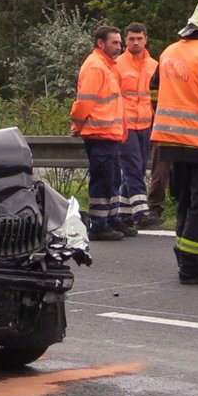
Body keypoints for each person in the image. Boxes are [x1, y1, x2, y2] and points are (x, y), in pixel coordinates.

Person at [150, 0, 198, 284]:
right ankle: (194, 268)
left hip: (172, 144)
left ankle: (185, 257)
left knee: (185, 202)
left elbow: (154, 92)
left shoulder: (170, 52)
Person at [71, 25, 131, 241]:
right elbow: (84, 101)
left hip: (109, 133)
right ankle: (98, 224)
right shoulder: (97, 67)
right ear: (100, 43)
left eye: (118, 42)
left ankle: (112, 218)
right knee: (103, 179)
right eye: (114, 43)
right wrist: (78, 125)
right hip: (99, 133)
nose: (119, 47)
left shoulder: (106, 67)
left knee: (113, 177)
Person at [116, 22, 164, 230]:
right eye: (131, 39)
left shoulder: (154, 65)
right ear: (125, 40)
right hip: (124, 125)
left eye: (139, 38)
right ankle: (141, 211)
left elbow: (160, 98)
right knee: (134, 167)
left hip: (146, 125)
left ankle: (124, 215)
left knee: (136, 167)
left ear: (146, 39)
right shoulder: (117, 65)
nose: (136, 42)